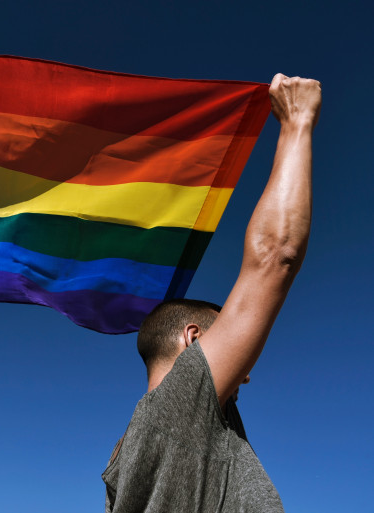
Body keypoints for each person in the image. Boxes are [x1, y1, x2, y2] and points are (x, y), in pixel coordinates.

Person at [102, 73, 322, 512]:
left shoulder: (132, 453)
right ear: (195, 339)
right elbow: (275, 255)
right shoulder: (179, 408)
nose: (246, 370)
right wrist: (297, 122)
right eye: (227, 337)